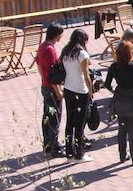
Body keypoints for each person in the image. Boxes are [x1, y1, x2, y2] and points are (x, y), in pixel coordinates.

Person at [104, 41, 133, 166]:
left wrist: (115, 90)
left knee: (122, 128)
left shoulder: (114, 66)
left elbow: (107, 84)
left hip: (120, 100)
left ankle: (122, 156)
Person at [60, 29, 94, 162]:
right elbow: (86, 76)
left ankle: (69, 153)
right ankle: (79, 153)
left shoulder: (66, 52)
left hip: (68, 88)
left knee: (70, 121)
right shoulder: (82, 54)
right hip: (81, 90)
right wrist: (90, 90)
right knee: (80, 123)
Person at [36, 24, 65, 156]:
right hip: (51, 88)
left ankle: (47, 143)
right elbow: (54, 74)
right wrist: (58, 91)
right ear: (56, 34)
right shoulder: (50, 50)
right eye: (60, 34)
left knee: (47, 116)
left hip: (44, 86)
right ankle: (54, 146)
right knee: (55, 118)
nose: (61, 37)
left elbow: (38, 64)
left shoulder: (42, 46)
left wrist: (43, 78)